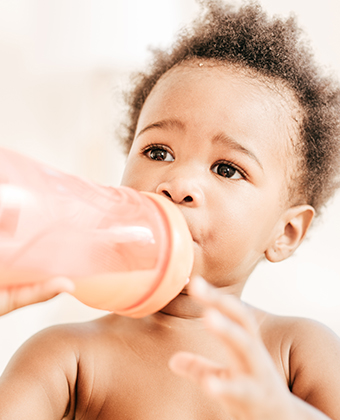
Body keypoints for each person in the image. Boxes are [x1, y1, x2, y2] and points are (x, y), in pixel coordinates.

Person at [1, 1, 340, 419]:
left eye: (227, 169)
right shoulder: (67, 357)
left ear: (285, 233)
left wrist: (281, 412)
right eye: (158, 151)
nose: (178, 184)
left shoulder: (297, 351)